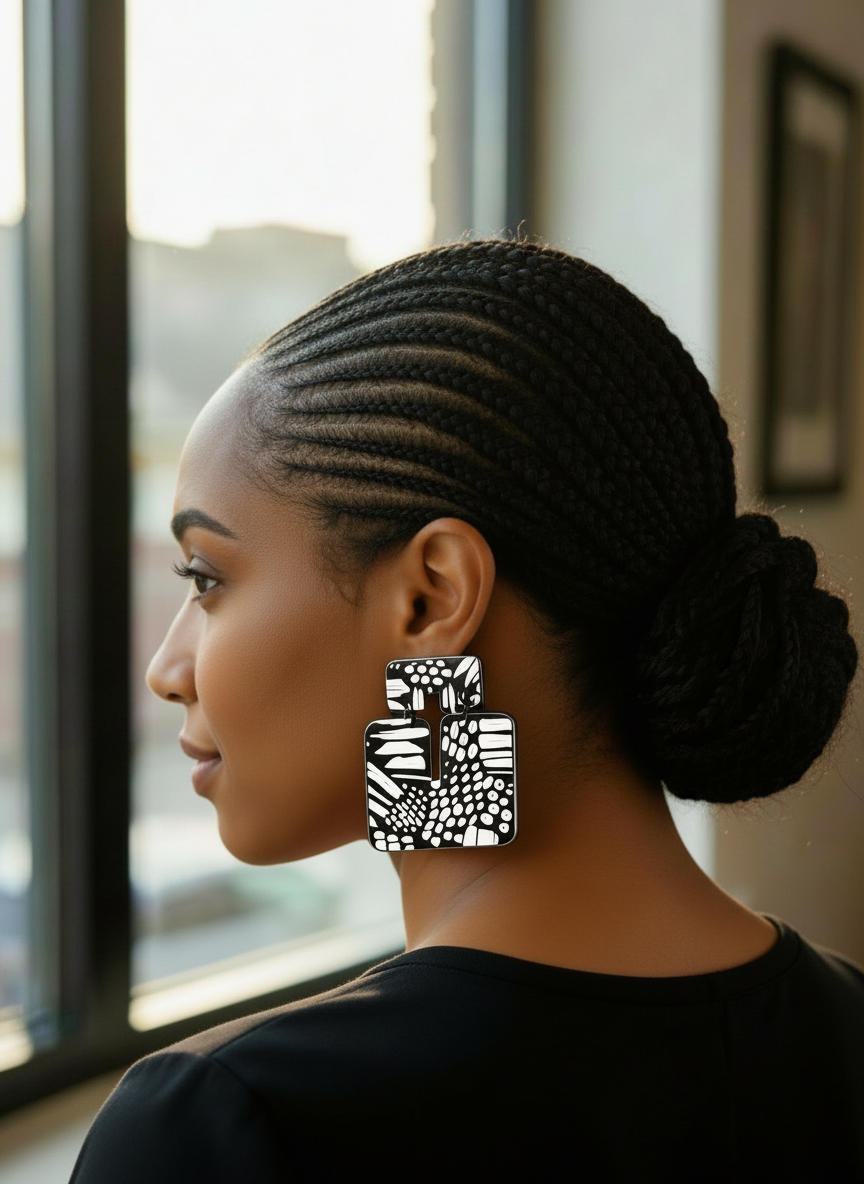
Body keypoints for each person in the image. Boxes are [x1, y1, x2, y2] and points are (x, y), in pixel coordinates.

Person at [71, 241, 863, 1181]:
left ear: (432, 598)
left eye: (206, 578)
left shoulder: (232, 1126)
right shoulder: (848, 1022)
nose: (168, 668)